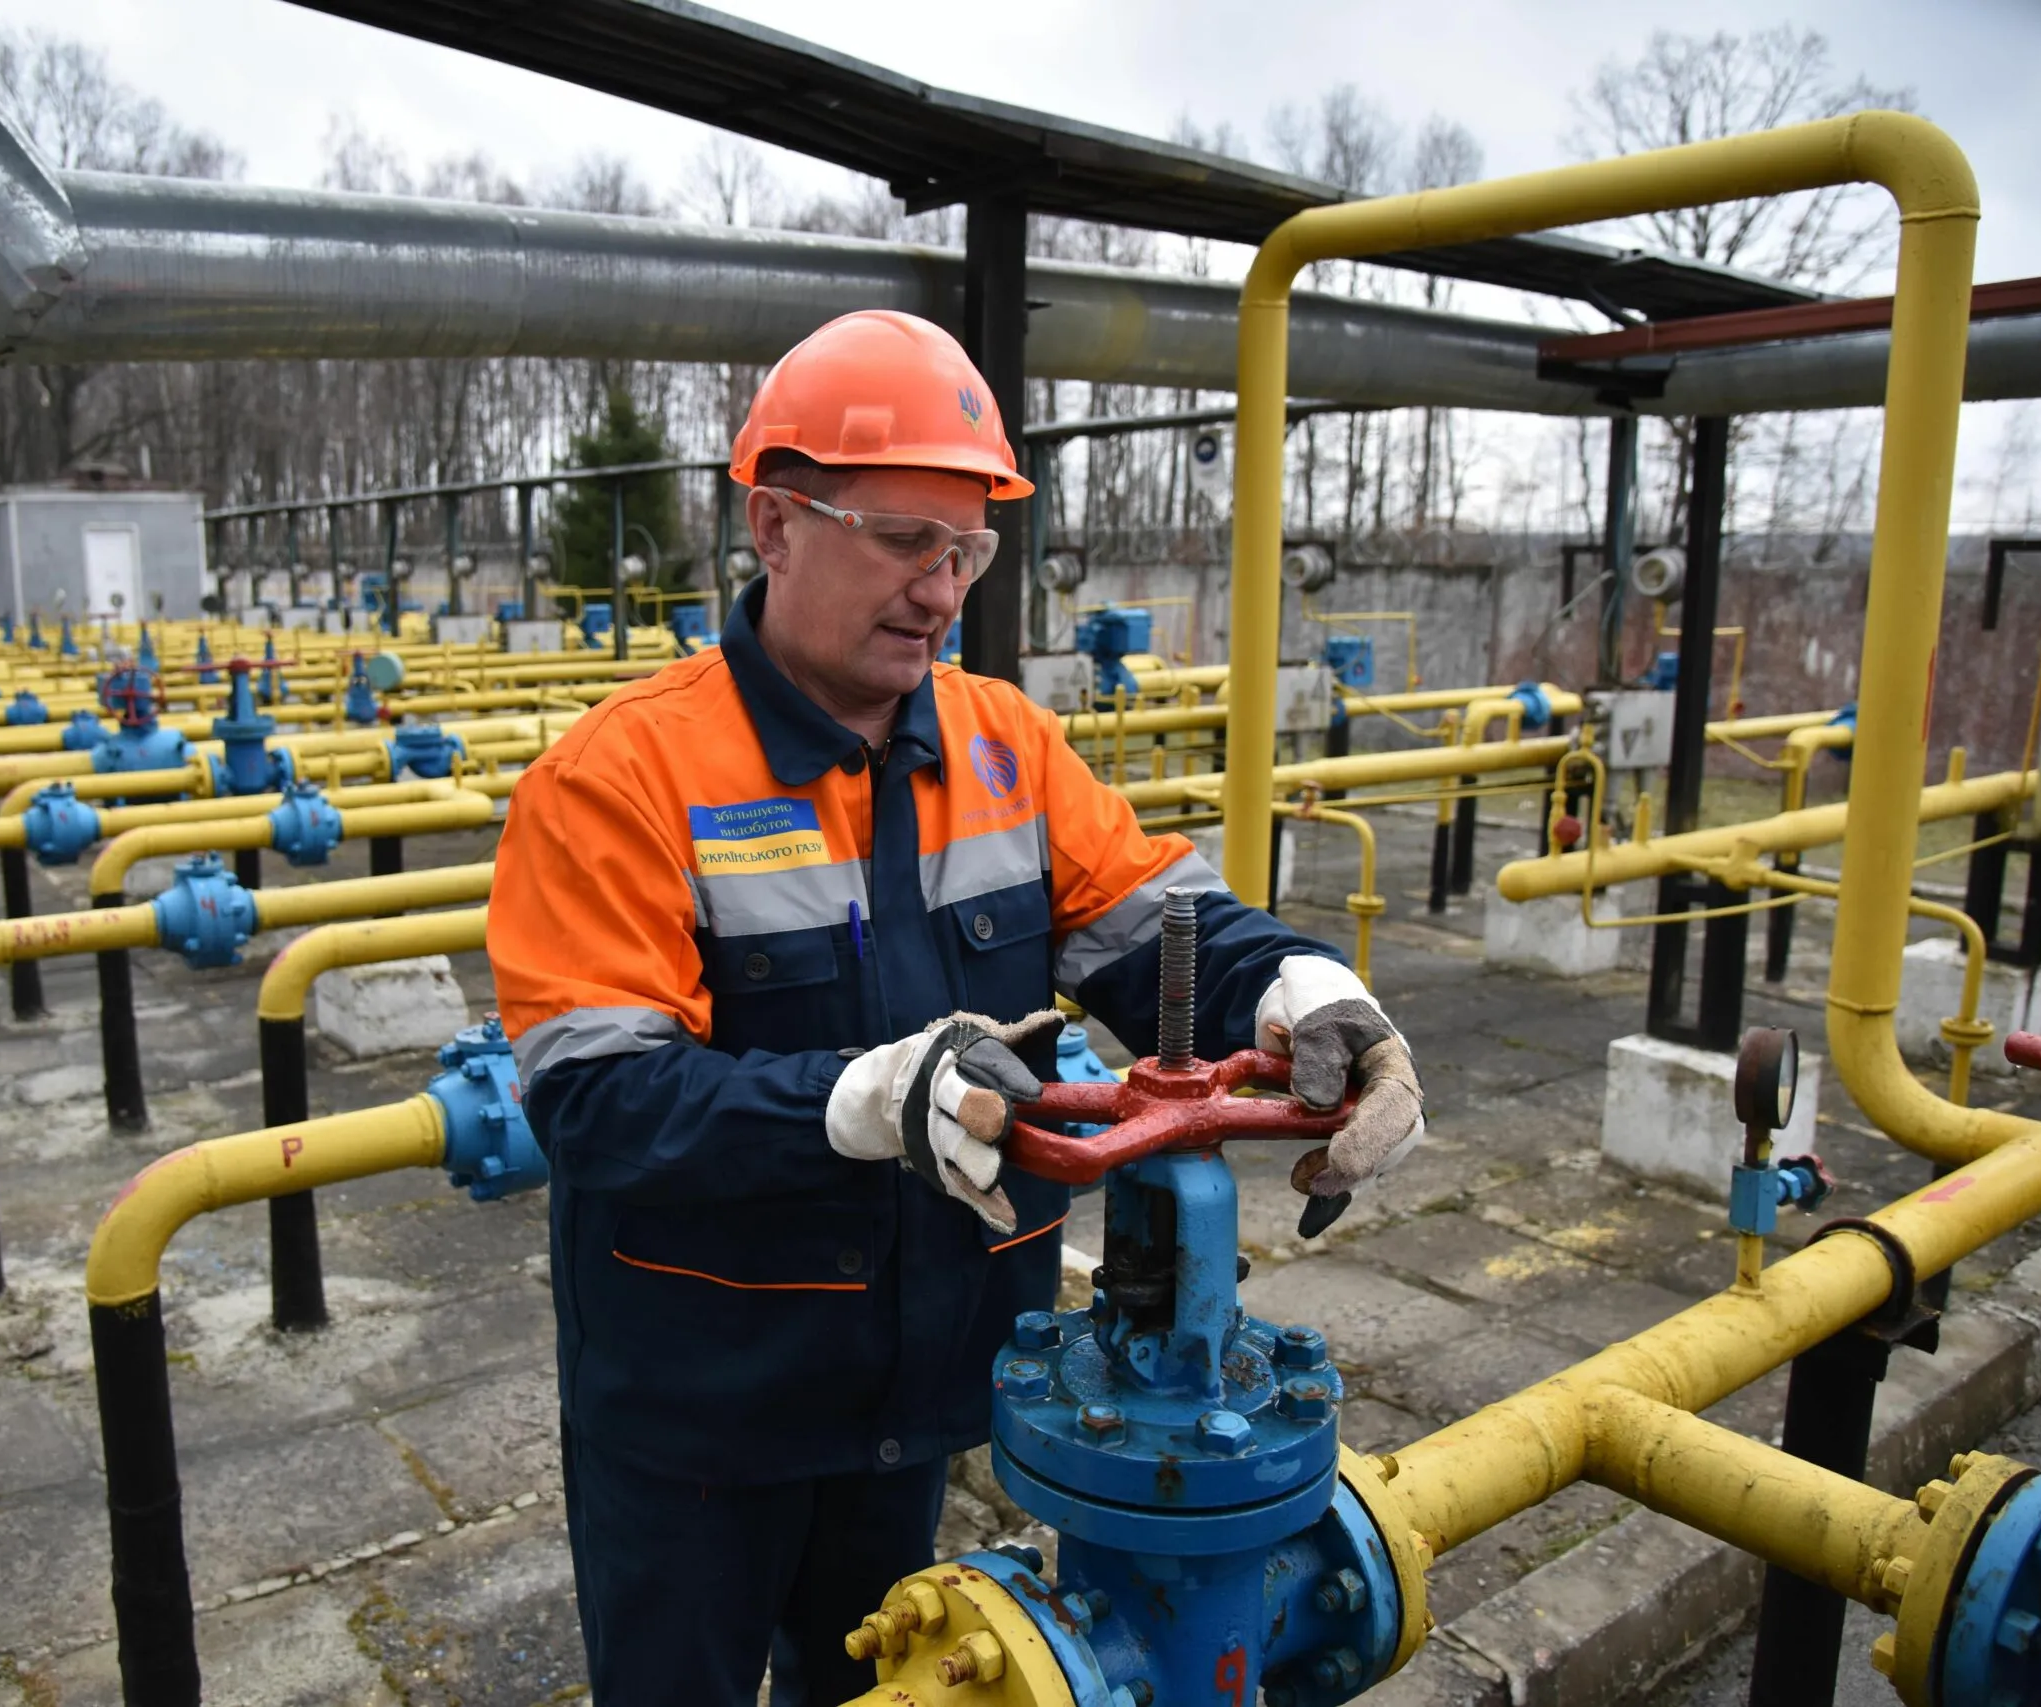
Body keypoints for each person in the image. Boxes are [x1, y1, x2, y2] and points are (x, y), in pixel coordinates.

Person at [488, 309, 1425, 1706]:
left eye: (968, 551)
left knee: (876, 1684)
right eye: (902, 540)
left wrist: (1310, 987)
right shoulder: (620, 780)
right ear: (775, 522)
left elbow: (1156, 924)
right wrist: (860, 1098)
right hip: (700, 1412)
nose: (939, 590)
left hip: (918, 1390)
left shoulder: (1007, 746)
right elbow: (599, 1104)